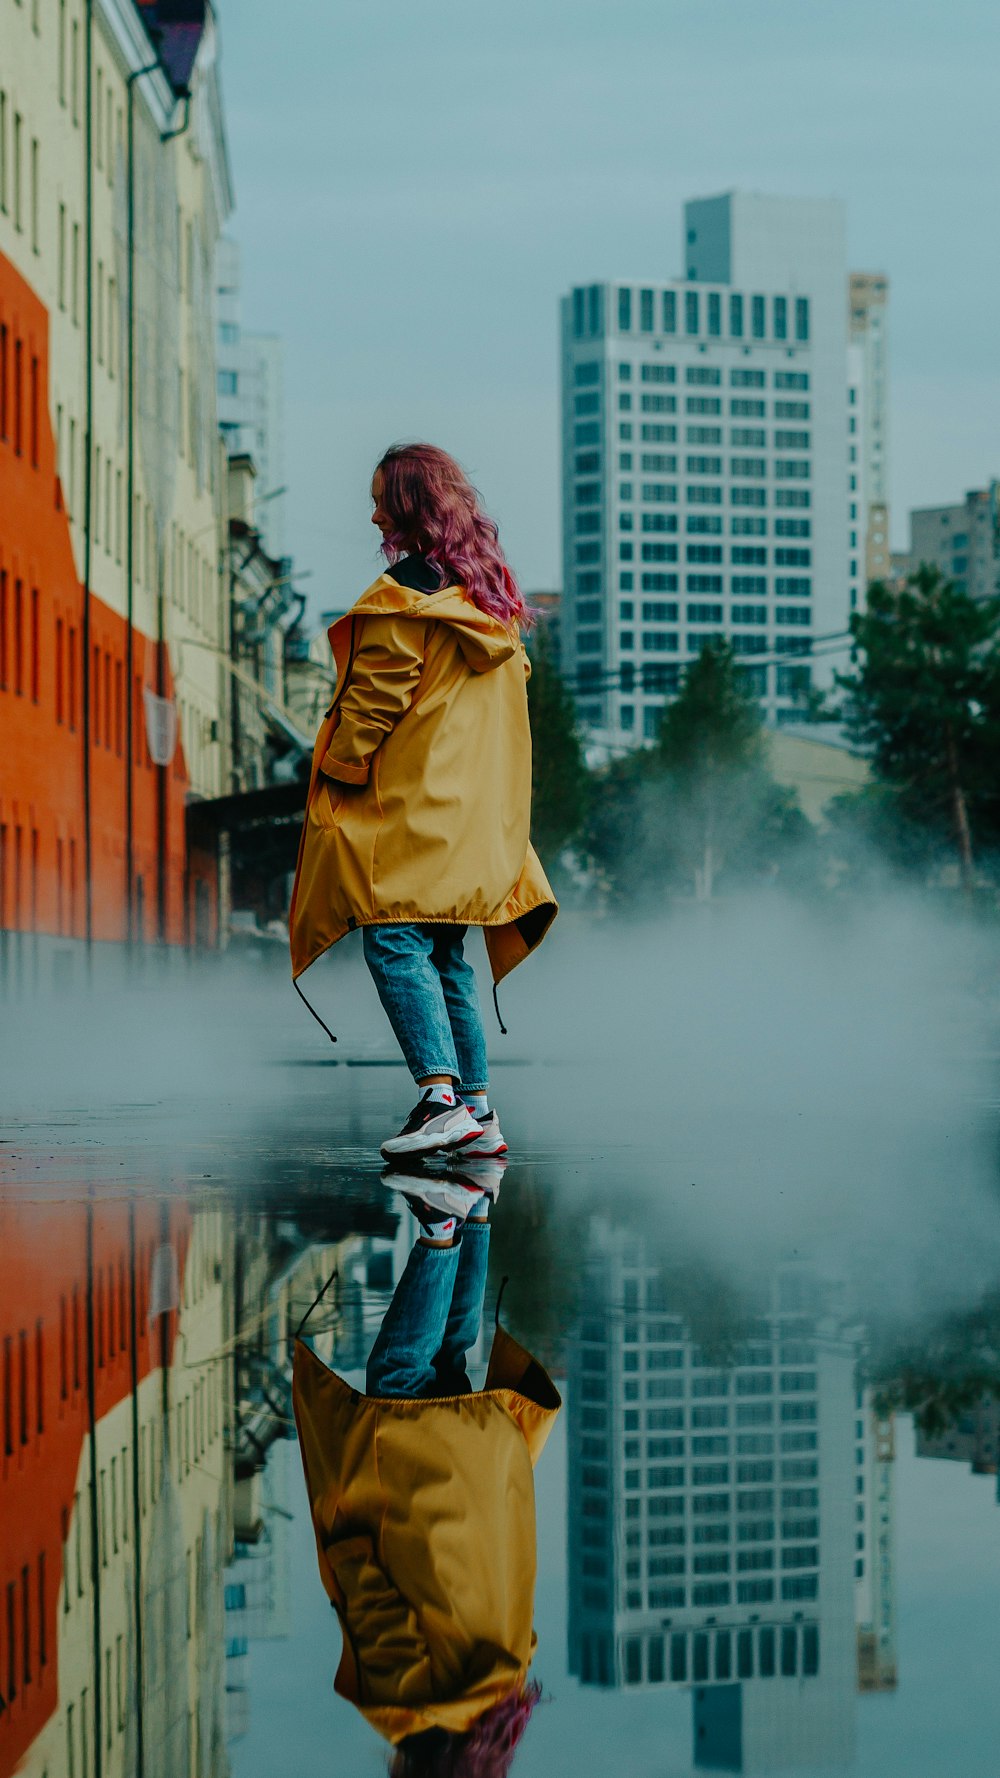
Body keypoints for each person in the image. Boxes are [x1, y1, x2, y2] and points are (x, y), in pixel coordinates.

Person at [288, 443, 557, 1159]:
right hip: (473, 820)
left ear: (408, 508)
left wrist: (336, 770)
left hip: (410, 809)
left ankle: (438, 1098)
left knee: (393, 937)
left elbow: (374, 700)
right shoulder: (488, 604)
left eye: (381, 498)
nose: (371, 511)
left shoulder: (405, 596)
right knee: (447, 956)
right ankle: (477, 1111)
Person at [292, 1166, 561, 1776]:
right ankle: (441, 1230)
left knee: (450, 1354)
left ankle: (478, 1208)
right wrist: (344, 1558)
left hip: (485, 1458)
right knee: (399, 1367)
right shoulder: (408, 1708)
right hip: (414, 1480)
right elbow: (373, 1606)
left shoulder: (506, 1693)